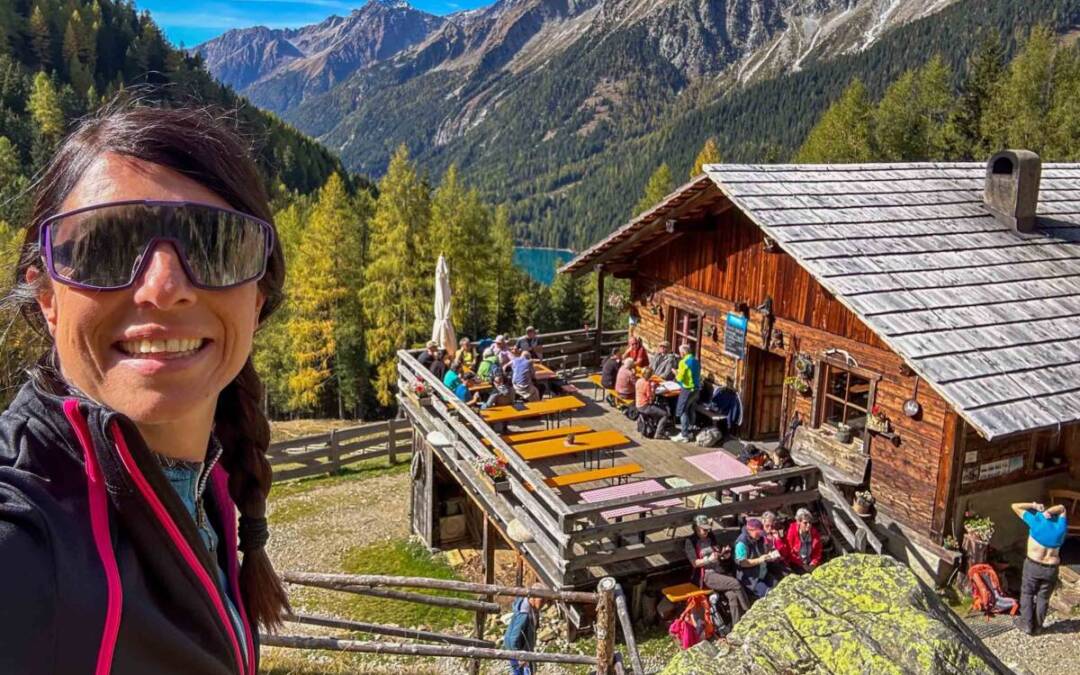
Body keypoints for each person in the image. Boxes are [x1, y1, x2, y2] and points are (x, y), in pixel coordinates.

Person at [0, 104, 288, 672]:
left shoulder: (212, 486)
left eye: (213, 244)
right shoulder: (24, 538)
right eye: (106, 246)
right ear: (48, 298)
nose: (164, 287)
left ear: (256, 301)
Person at [1011, 500, 1068, 635]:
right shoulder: (1061, 527)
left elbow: (1014, 506)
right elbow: (1062, 508)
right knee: (1043, 597)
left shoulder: (1037, 521)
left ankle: (1026, 624)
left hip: (1033, 564)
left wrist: (1034, 506)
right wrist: (1049, 511)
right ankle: (1038, 627)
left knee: (1027, 593)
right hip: (1051, 568)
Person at [685, 514, 748, 626]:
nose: (706, 532)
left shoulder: (711, 536)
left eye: (708, 529)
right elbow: (695, 563)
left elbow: (716, 552)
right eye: (704, 529)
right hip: (706, 575)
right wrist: (708, 560)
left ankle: (737, 626)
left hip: (719, 571)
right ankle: (749, 613)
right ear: (696, 528)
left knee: (732, 596)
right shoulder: (691, 541)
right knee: (735, 583)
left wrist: (723, 555)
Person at [503, 585, 546, 674]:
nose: (544, 603)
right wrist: (520, 656)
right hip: (518, 652)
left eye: (545, 600)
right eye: (542, 600)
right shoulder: (524, 613)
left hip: (524, 650)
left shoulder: (532, 609)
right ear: (533, 597)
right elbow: (512, 638)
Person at [734, 518, 779, 599]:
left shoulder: (760, 538)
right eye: (757, 533)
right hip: (750, 578)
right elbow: (743, 563)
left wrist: (770, 556)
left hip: (762, 573)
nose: (760, 535)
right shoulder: (741, 543)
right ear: (750, 530)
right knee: (768, 594)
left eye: (761, 532)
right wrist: (760, 560)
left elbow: (764, 552)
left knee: (778, 586)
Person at [670, 344, 701, 443]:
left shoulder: (683, 362)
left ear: (683, 353)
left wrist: (675, 372)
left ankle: (684, 435)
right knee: (690, 409)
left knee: (683, 411)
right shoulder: (696, 360)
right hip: (696, 389)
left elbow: (680, 378)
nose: (680, 354)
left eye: (680, 352)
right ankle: (689, 431)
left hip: (687, 389)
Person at [784, 508, 823, 573]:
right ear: (798, 522)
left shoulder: (814, 533)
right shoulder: (792, 531)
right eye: (805, 523)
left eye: (810, 522)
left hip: (810, 561)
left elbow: (818, 551)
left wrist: (813, 563)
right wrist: (802, 564)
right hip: (797, 562)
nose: (808, 525)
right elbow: (790, 552)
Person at [634, 367, 670, 438]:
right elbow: (651, 398)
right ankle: (658, 433)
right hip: (645, 406)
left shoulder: (639, 381)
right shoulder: (647, 384)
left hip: (638, 404)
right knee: (665, 414)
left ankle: (656, 424)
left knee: (658, 408)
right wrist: (653, 388)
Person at [761, 511, 791, 576]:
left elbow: (784, 553)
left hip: (779, 562)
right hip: (767, 564)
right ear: (763, 524)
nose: (770, 528)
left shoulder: (776, 534)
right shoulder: (761, 536)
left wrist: (778, 539)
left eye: (772, 526)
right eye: (767, 526)